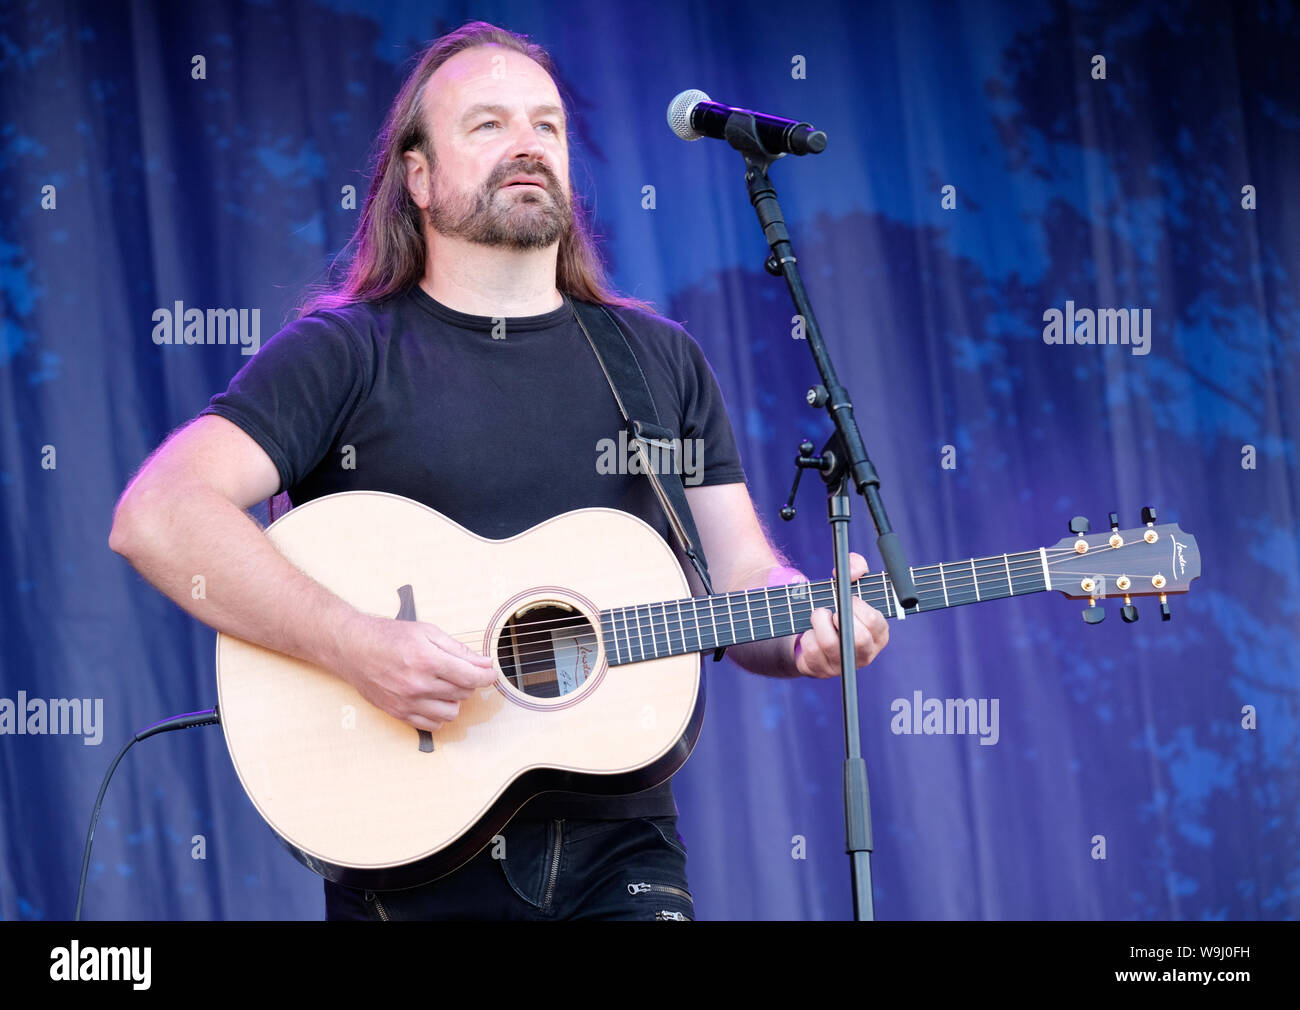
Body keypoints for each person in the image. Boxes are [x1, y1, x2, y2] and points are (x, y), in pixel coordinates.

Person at [108, 20, 889, 921]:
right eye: (487, 124)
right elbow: (159, 515)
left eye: (546, 126)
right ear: (419, 177)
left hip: (622, 843)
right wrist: (355, 645)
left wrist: (804, 632)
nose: (527, 144)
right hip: (410, 847)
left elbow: (743, 581)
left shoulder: (657, 360)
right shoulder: (345, 352)